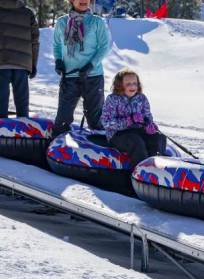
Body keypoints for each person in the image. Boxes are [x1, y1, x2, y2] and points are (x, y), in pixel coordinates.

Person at [54, 0, 112, 136]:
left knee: (95, 121)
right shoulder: (62, 22)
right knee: (62, 120)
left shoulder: (97, 22)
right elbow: (57, 45)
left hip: (93, 76)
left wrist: (90, 66)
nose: (84, 1)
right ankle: (56, 151)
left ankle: (100, 154)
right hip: (69, 77)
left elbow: (104, 47)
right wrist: (58, 61)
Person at [0, 0, 39, 119]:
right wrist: (33, 64)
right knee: (22, 103)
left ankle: (0, 132)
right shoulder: (27, 13)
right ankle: (23, 132)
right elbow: (34, 41)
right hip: (22, 64)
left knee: (1, 103)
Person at [100, 68, 166, 163]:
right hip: (117, 135)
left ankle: (155, 167)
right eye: (128, 84)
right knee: (135, 141)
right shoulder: (112, 99)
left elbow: (148, 116)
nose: (132, 86)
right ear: (120, 85)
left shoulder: (142, 98)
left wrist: (149, 124)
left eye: (134, 83)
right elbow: (106, 122)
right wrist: (128, 120)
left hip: (138, 131)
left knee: (158, 137)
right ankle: (142, 171)